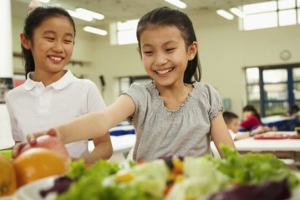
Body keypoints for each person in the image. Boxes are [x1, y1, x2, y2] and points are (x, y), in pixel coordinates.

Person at [13, 6, 235, 161]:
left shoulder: (206, 95)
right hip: (149, 191)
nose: (160, 60)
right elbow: (102, 120)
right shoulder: (139, 95)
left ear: (190, 50)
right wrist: (56, 134)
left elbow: (228, 152)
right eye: (149, 52)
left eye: (169, 49)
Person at [6, 1, 112, 164]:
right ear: (26, 40)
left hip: (73, 183)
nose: (59, 48)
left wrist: (80, 164)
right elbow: (20, 147)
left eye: (67, 41)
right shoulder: (13, 97)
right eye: (50, 38)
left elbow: (104, 145)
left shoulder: (85, 89)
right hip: (33, 183)